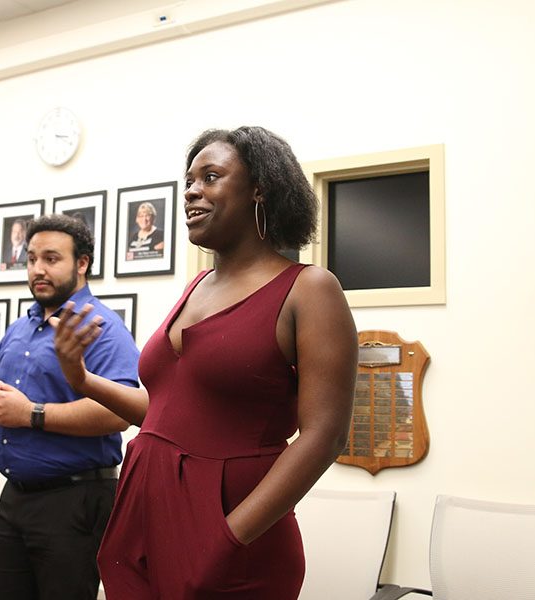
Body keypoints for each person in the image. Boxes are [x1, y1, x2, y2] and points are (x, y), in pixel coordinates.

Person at [51, 126, 358, 599]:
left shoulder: (310, 288)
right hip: (143, 513)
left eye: (210, 176)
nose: (192, 190)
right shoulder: (195, 287)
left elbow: (324, 436)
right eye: (189, 180)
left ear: (260, 188)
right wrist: (82, 379)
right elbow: (166, 415)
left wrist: (228, 537)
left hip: (233, 526)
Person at [0, 214, 141, 600]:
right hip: (15, 496)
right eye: (31, 259)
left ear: (81, 264)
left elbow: (121, 412)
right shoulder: (19, 327)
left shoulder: (102, 327)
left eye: (51, 259)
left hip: (74, 502)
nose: (37, 270)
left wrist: (31, 414)